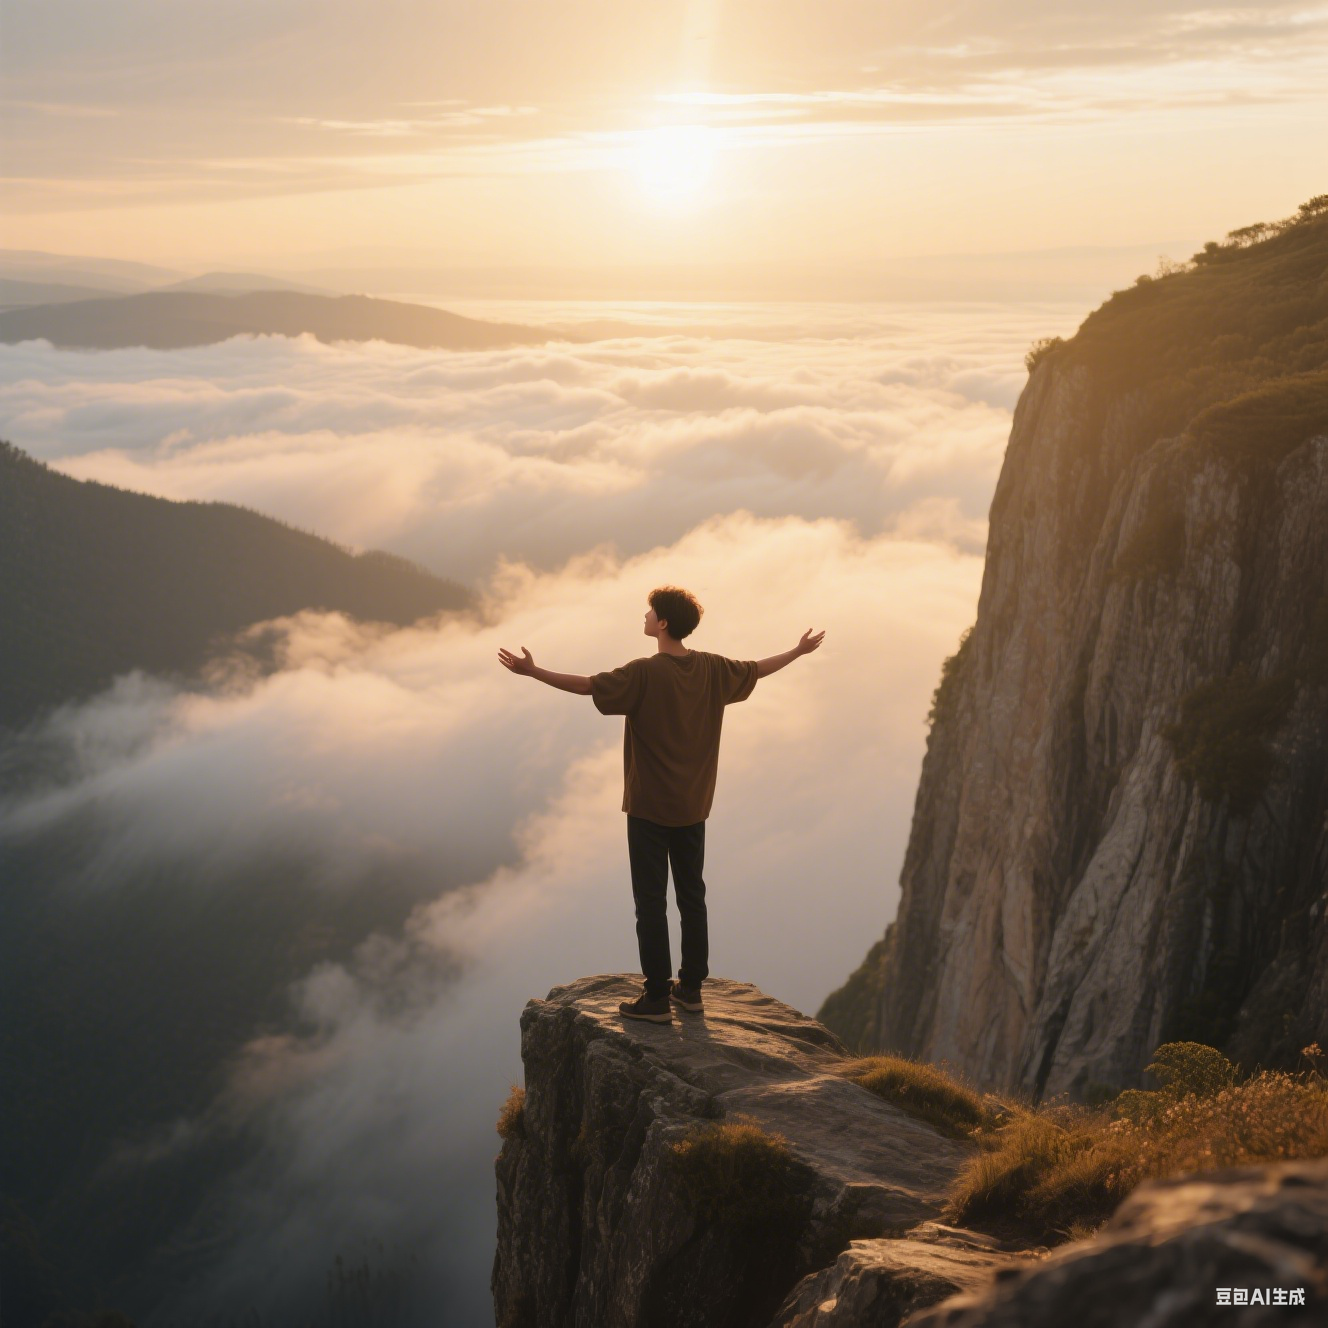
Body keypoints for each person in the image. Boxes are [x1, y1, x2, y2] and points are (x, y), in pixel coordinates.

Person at [498, 586, 825, 1023]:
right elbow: (756, 670)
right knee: (693, 898)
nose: (645, 616)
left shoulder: (645, 673)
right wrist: (797, 652)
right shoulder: (711, 668)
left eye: (650, 611)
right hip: (693, 806)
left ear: (664, 623)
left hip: (650, 809)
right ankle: (690, 989)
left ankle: (655, 997)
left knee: (651, 903)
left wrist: (534, 672)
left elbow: (587, 686)